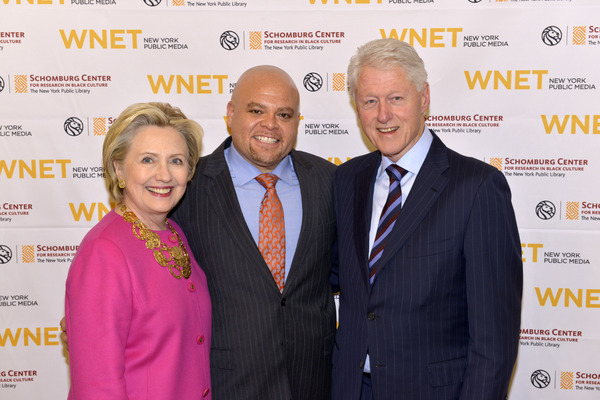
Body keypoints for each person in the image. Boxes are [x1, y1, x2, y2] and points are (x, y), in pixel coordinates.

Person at [331, 39, 523, 400]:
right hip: (351, 388)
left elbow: (494, 344)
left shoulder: (477, 187)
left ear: (425, 98)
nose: (383, 115)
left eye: (396, 98)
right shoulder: (346, 179)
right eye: (370, 100)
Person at [171, 65, 337, 400]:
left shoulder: (331, 181)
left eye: (285, 114)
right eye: (256, 110)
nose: (271, 125)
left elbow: (352, 271)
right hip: (226, 384)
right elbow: (153, 269)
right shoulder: (187, 185)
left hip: (313, 382)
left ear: (297, 122)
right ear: (231, 114)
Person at [64, 102, 212, 399]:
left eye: (176, 161)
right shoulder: (104, 252)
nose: (164, 175)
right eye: (148, 160)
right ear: (118, 168)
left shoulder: (175, 232)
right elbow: (97, 387)